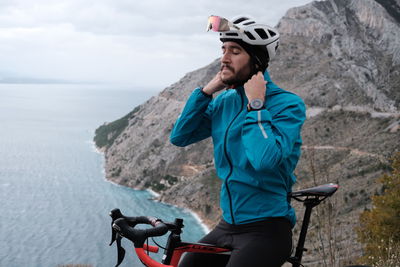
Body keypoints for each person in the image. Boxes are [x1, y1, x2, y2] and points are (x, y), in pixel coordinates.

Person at [170, 15, 306, 267]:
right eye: (223, 49)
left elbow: (264, 160)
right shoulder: (224, 101)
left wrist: (256, 105)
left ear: (256, 61)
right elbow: (180, 136)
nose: (224, 58)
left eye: (235, 51)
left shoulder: (287, 104)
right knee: (187, 264)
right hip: (227, 225)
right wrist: (206, 92)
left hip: (266, 228)